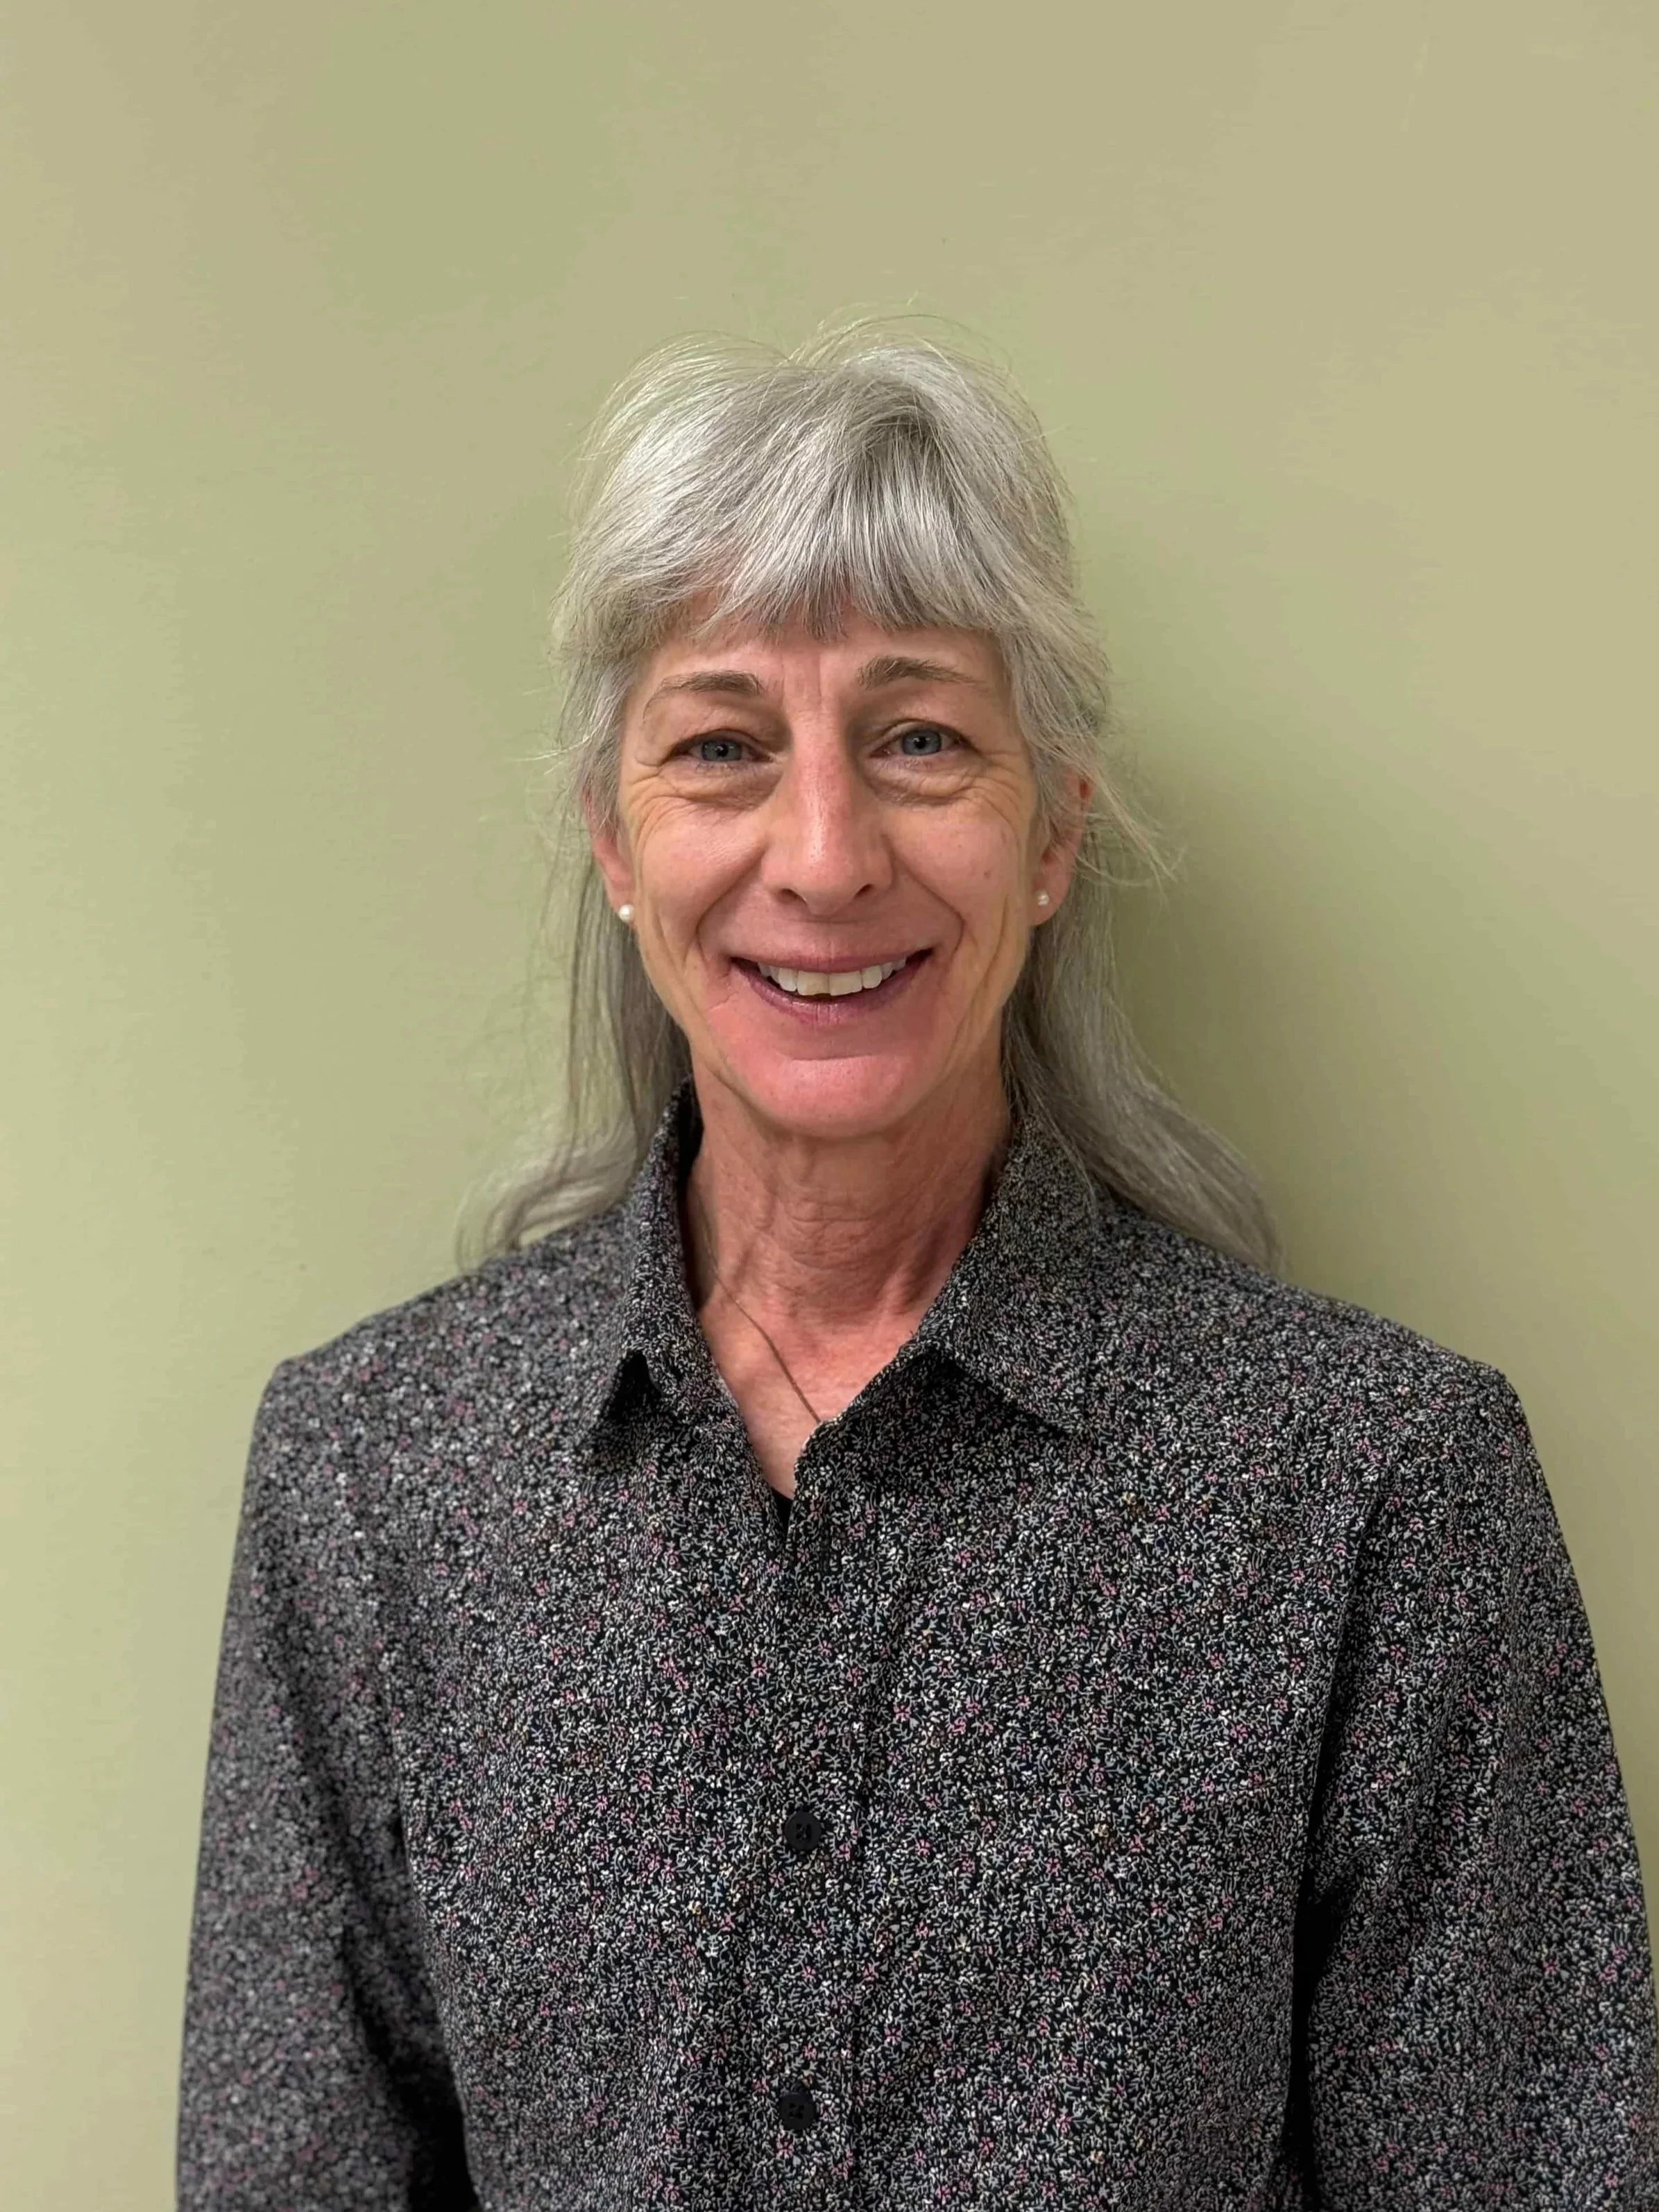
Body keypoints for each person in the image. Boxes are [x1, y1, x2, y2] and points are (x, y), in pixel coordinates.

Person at [178, 323, 1659, 2209]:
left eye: (917, 739)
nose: (822, 852)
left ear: (1051, 831)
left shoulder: (1370, 1488)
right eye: (721, 744)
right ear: (614, 844)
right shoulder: (373, 1477)